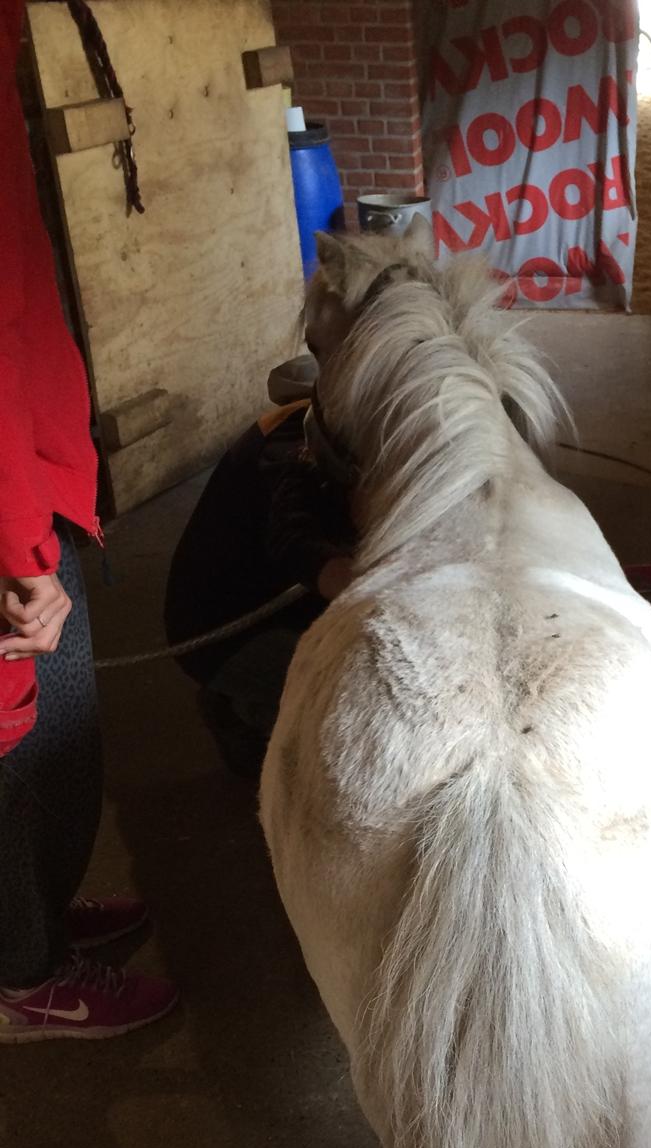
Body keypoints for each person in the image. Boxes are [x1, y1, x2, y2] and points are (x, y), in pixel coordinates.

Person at [1, 0, 176, 1041]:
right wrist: (24, 551)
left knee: (58, 737)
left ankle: (41, 920)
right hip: (11, 513)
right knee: (16, 744)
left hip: (36, 472)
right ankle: (23, 974)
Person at [163, 399, 354, 780]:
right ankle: (239, 712)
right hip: (221, 631)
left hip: (274, 601)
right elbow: (295, 542)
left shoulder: (337, 424)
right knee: (349, 693)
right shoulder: (291, 446)